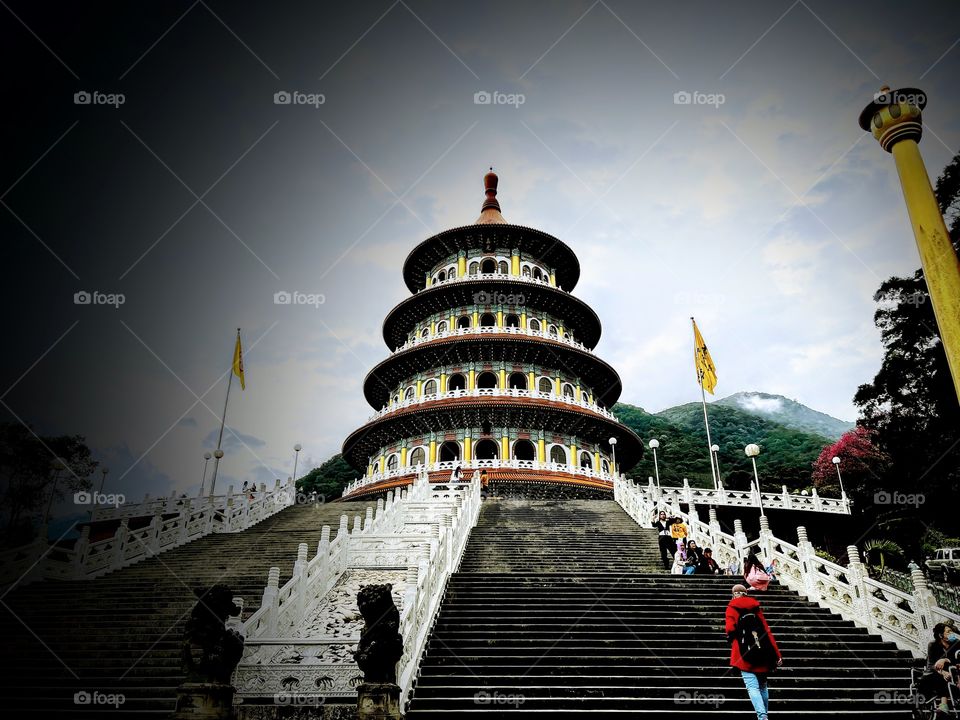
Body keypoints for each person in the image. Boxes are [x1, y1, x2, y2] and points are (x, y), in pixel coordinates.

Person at [725, 584, 782, 720]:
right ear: (746, 593)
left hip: (742, 653)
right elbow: (767, 631)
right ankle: (764, 715)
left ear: (734, 594)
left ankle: (762, 716)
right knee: (762, 686)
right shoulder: (755, 607)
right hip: (762, 651)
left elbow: (729, 629)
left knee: (752, 686)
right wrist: (776, 654)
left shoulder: (732, 607)